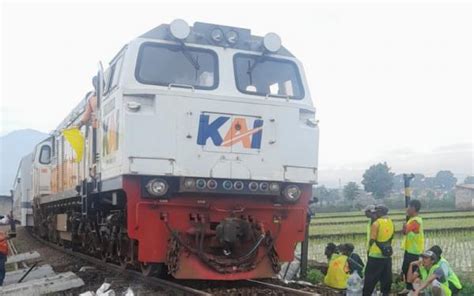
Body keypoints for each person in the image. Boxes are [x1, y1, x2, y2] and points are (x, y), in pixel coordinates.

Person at [363, 205, 394, 296]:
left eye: (376, 212)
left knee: (370, 279)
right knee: (386, 279)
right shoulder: (391, 222)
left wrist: (369, 249)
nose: (375, 213)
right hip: (386, 254)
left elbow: (372, 239)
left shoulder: (376, 223)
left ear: (380, 212)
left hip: (375, 255)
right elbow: (391, 237)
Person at [401, 199, 425, 294]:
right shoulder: (412, 220)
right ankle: (408, 287)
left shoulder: (415, 221)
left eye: (409, 207)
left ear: (414, 208)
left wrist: (404, 226)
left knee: (412, 271)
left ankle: (414, 290)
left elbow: (405, 232)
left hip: (414, 250)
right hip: (409, 249)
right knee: (406, 268)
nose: (407, 209)